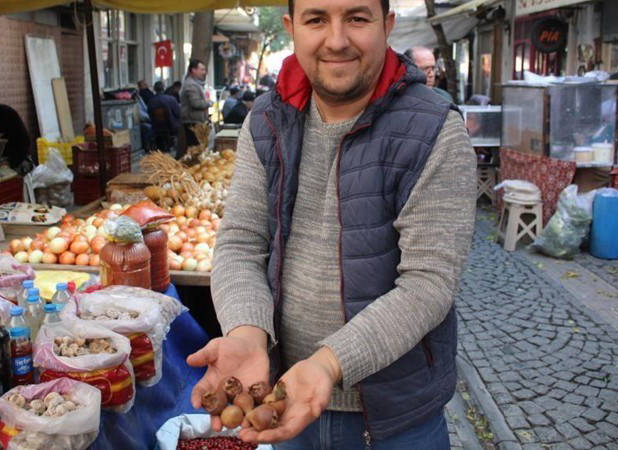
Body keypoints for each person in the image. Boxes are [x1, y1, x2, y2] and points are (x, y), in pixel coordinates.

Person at [187, 0, 476, 448]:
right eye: (317, 19)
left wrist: (328, 364)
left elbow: (428, 283)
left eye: (357, 18)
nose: (337, 41)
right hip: (282, 399)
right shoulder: (265, 120)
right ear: (292, 27)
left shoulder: (434, 129)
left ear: (387, 25)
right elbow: (241, 243)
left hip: (395, 420)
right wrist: (246, 331)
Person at [179, 59, 212, 158]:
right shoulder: (191, 84)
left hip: (195, 121)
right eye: (201, 69)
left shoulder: (194, 83)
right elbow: (196, 103)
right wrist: (209, 103)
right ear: (193, 70)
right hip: (193, 122)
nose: (204, 72)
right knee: (195, 150)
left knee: (197, 150)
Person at [147, 88, 181, 153]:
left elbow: (149, 114)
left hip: (156, 127)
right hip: (171, 126)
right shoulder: (171, 99)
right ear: (163, 88)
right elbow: (178, 113)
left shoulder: (151, 101)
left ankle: (162, 147)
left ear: (154, 89)